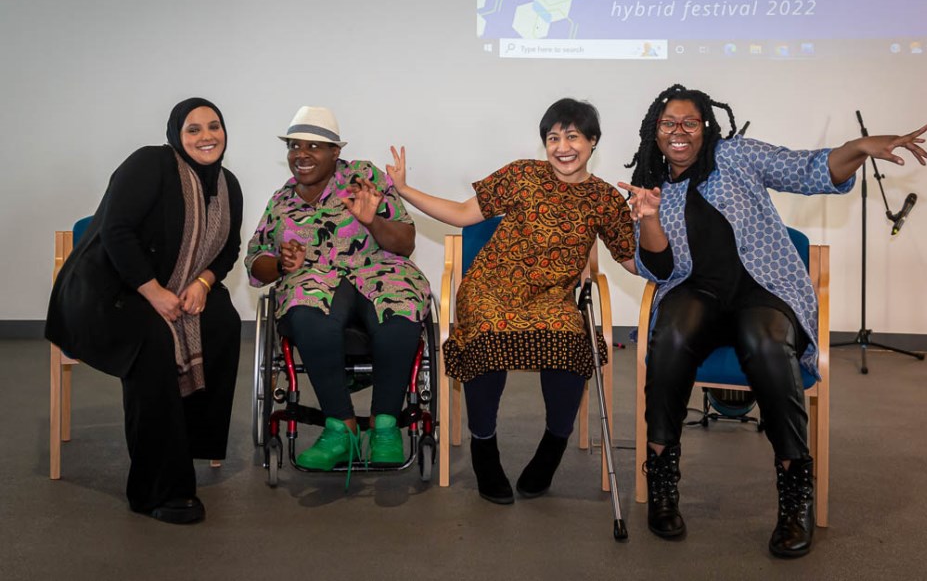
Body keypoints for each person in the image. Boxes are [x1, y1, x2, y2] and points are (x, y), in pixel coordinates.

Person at [622, 83, 927, 557]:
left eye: (689, 122)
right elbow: (660, 271)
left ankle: (795, 496)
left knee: (765, 341)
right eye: (668, 124)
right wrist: (647, 218)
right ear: (655, 131)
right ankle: (662, 478)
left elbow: (808, 169)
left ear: (706, 126)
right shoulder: (651, 184)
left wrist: (860, 148)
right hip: (696, 293)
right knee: (670, 333)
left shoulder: (737, 155)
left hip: (762, 289)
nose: (678, 132)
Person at [388, 98, 638, 504]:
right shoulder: (522, 174)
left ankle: (552, 448)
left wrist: (655, 224)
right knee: (487, 334)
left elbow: (631, 260)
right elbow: (463, 213)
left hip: (552, 296)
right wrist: (403, 189)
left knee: (571, 340)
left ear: (593, 141)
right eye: (553, 137)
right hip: (491, 286)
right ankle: (484, 449)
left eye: (572, 136)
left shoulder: (605, 199)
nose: (562, 146)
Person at [46, 97, 244, 524]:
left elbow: (229, 248)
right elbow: (116, 231)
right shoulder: (150, 164)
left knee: (223, 322)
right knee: (154, 343)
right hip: (107, 292)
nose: (206, 136)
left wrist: (203, 282)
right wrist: (153, 292)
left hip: (171, 290)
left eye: (214, 126)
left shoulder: (228, 184)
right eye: (193, 129)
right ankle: (158, 489)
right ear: (176, 134)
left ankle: (189, 442)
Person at [246, 106, 431, 474]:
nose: (301, 154)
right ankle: (340, 430)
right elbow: (254, 263)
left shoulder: (364, 177)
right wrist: (282, 265)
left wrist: (372, 220)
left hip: (379, 271)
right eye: (295, 146)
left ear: (335, 152)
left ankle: (385, 428)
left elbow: (405, 242)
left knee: (400, 309)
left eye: (314, 146)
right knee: (305, 310)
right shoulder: (281, 202)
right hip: (314, 281)